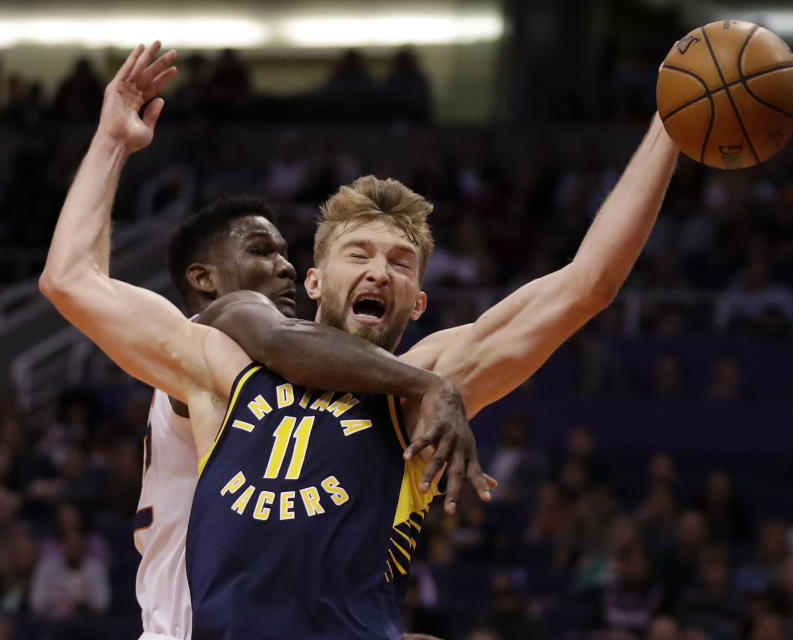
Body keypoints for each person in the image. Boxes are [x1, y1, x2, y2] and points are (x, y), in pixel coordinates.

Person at [41, 42, 678, 639]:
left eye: (401, 263)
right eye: (360, 255)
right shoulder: (221, 367)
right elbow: (70, 280)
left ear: (419, 302)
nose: (380, 271)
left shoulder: (423, 388)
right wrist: (112, 139)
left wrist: (670, 123)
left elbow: (588, 283)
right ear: (313, 281)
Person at [44, 42, 486, 640]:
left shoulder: (263, 372)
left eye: (286, 253)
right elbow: (72, 278)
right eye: (261, 252)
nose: (283, 268)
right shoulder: (212, 346)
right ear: (205, 280)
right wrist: (113, 141)